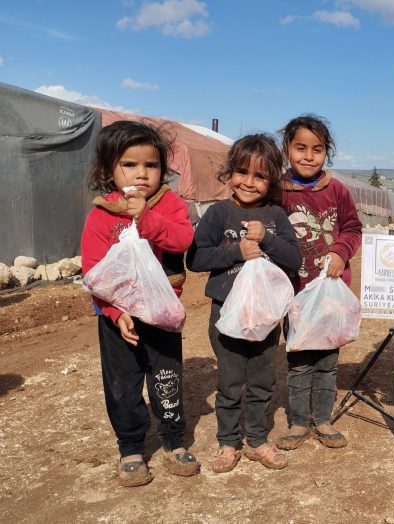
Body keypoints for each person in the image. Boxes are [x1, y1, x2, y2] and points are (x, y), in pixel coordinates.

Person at [81, 120, 199, 487]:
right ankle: (131, 447)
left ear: (163, 169)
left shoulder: (171, 205)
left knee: (166, 379)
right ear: (108, 170)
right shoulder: (101, 214)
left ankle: (173, 440)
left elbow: (181, 240)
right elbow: (94, 273)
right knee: (122, 384)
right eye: (129, 165)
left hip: (162, 316)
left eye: (151, 165)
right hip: (120, 320)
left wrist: (145, 217)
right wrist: (116, 314)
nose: (142, 173)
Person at [186, 134, 302, 472]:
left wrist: (266, 238)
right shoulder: (218, 214)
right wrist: (236, 251)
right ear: (229, 173)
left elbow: (293, 259)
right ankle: (227, 442)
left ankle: (257, 439)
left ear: (272, 181)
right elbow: (196, 258)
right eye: (242, 172)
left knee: (263, 379)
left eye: (260, 176)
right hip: (226, 311)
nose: (249, 182)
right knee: (230, 379)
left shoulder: (276, 217)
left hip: (265, 314)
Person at [275, 114, 362, 451]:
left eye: (317, 149)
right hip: (294, 292)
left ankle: (322, 420)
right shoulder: (277, 192)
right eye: (300, 148)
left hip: (330, 293)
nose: (308, 156)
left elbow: (353, 228)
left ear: (327, 152)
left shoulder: (337, 190)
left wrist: (340, 253)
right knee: (298, 358)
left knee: (327, 360)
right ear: (287, 149)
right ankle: (298, 422)